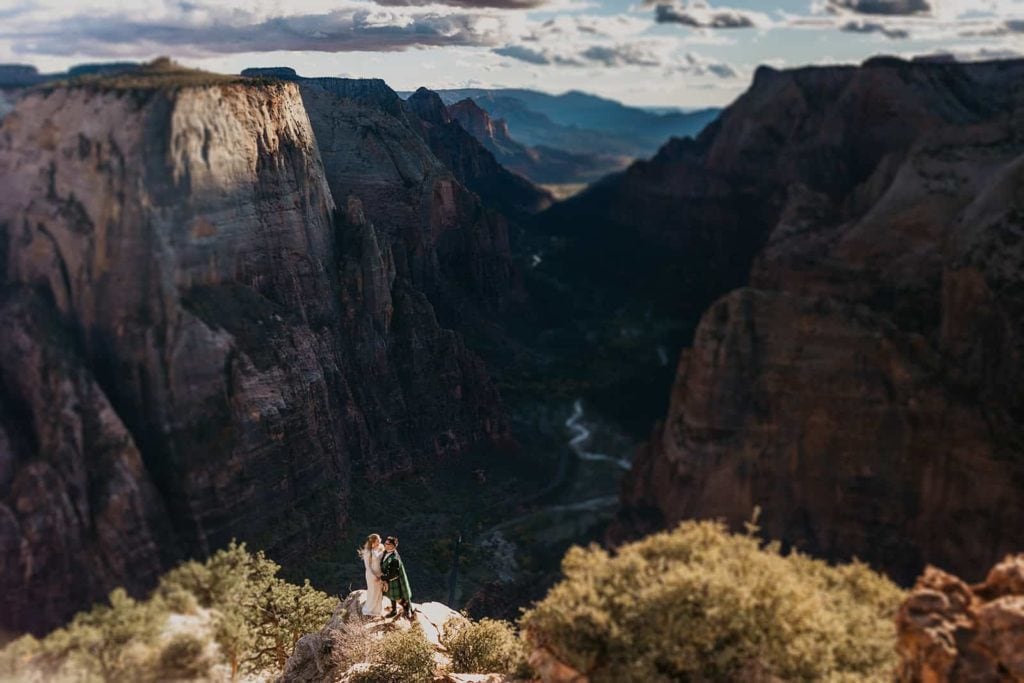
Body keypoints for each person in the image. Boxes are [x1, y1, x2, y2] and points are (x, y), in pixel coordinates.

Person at [380, 536, 414, 620]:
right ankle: (394, 610)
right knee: (391, 596)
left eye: (388, 544)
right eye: (385, 543)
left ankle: (408, 609)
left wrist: (383, 577)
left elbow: (393, 574)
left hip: (393, 580)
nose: (386, 545)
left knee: (397, 597)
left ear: (393, 546)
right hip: (389, 579)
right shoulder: (386, 552)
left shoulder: (394, 559)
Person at [358, 533, 384, 616]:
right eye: (377, 540)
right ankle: (368, 610)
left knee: (379, 592)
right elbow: (367, 567)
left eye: (379, 540)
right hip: (371, 575)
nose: (379, 541)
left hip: (379, 574)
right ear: (373, 541)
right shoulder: (368, 551)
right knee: (372, 591)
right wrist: (374, 576)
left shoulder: (379, 548)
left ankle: (377, 611)